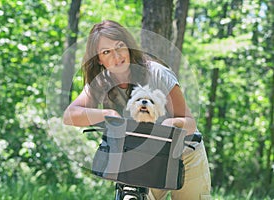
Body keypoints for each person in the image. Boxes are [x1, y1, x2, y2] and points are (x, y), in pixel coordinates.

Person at [63, 20, 211, 200]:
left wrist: (167, 128)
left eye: (119, 47)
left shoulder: (157, 73)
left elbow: (189, 122)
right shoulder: (101, 82)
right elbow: (70, 116)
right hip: (142, 158)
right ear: (99, 59)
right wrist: (107, 114)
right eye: (106, 52)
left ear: (128, 46)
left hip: (184, 153)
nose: (116, 56)